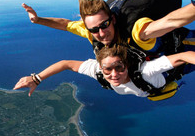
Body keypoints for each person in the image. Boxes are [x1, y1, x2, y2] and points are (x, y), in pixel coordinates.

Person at [22, 0, 195, 56]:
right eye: (94, 29)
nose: (102, 33)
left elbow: (171, 21)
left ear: (113, 19)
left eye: (104, 25)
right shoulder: (91, 30)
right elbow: (66, 24)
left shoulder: (134, 30)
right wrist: (39, 20)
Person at [13, 45, 195, 100]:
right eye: (108, 69)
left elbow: (185, 56)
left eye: (119, 68)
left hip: (181, 67)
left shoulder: (146, 71)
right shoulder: (97, 71)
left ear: (127, 65)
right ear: (101, 67)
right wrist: (36, 78)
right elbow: (66, 64)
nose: (114, 74)